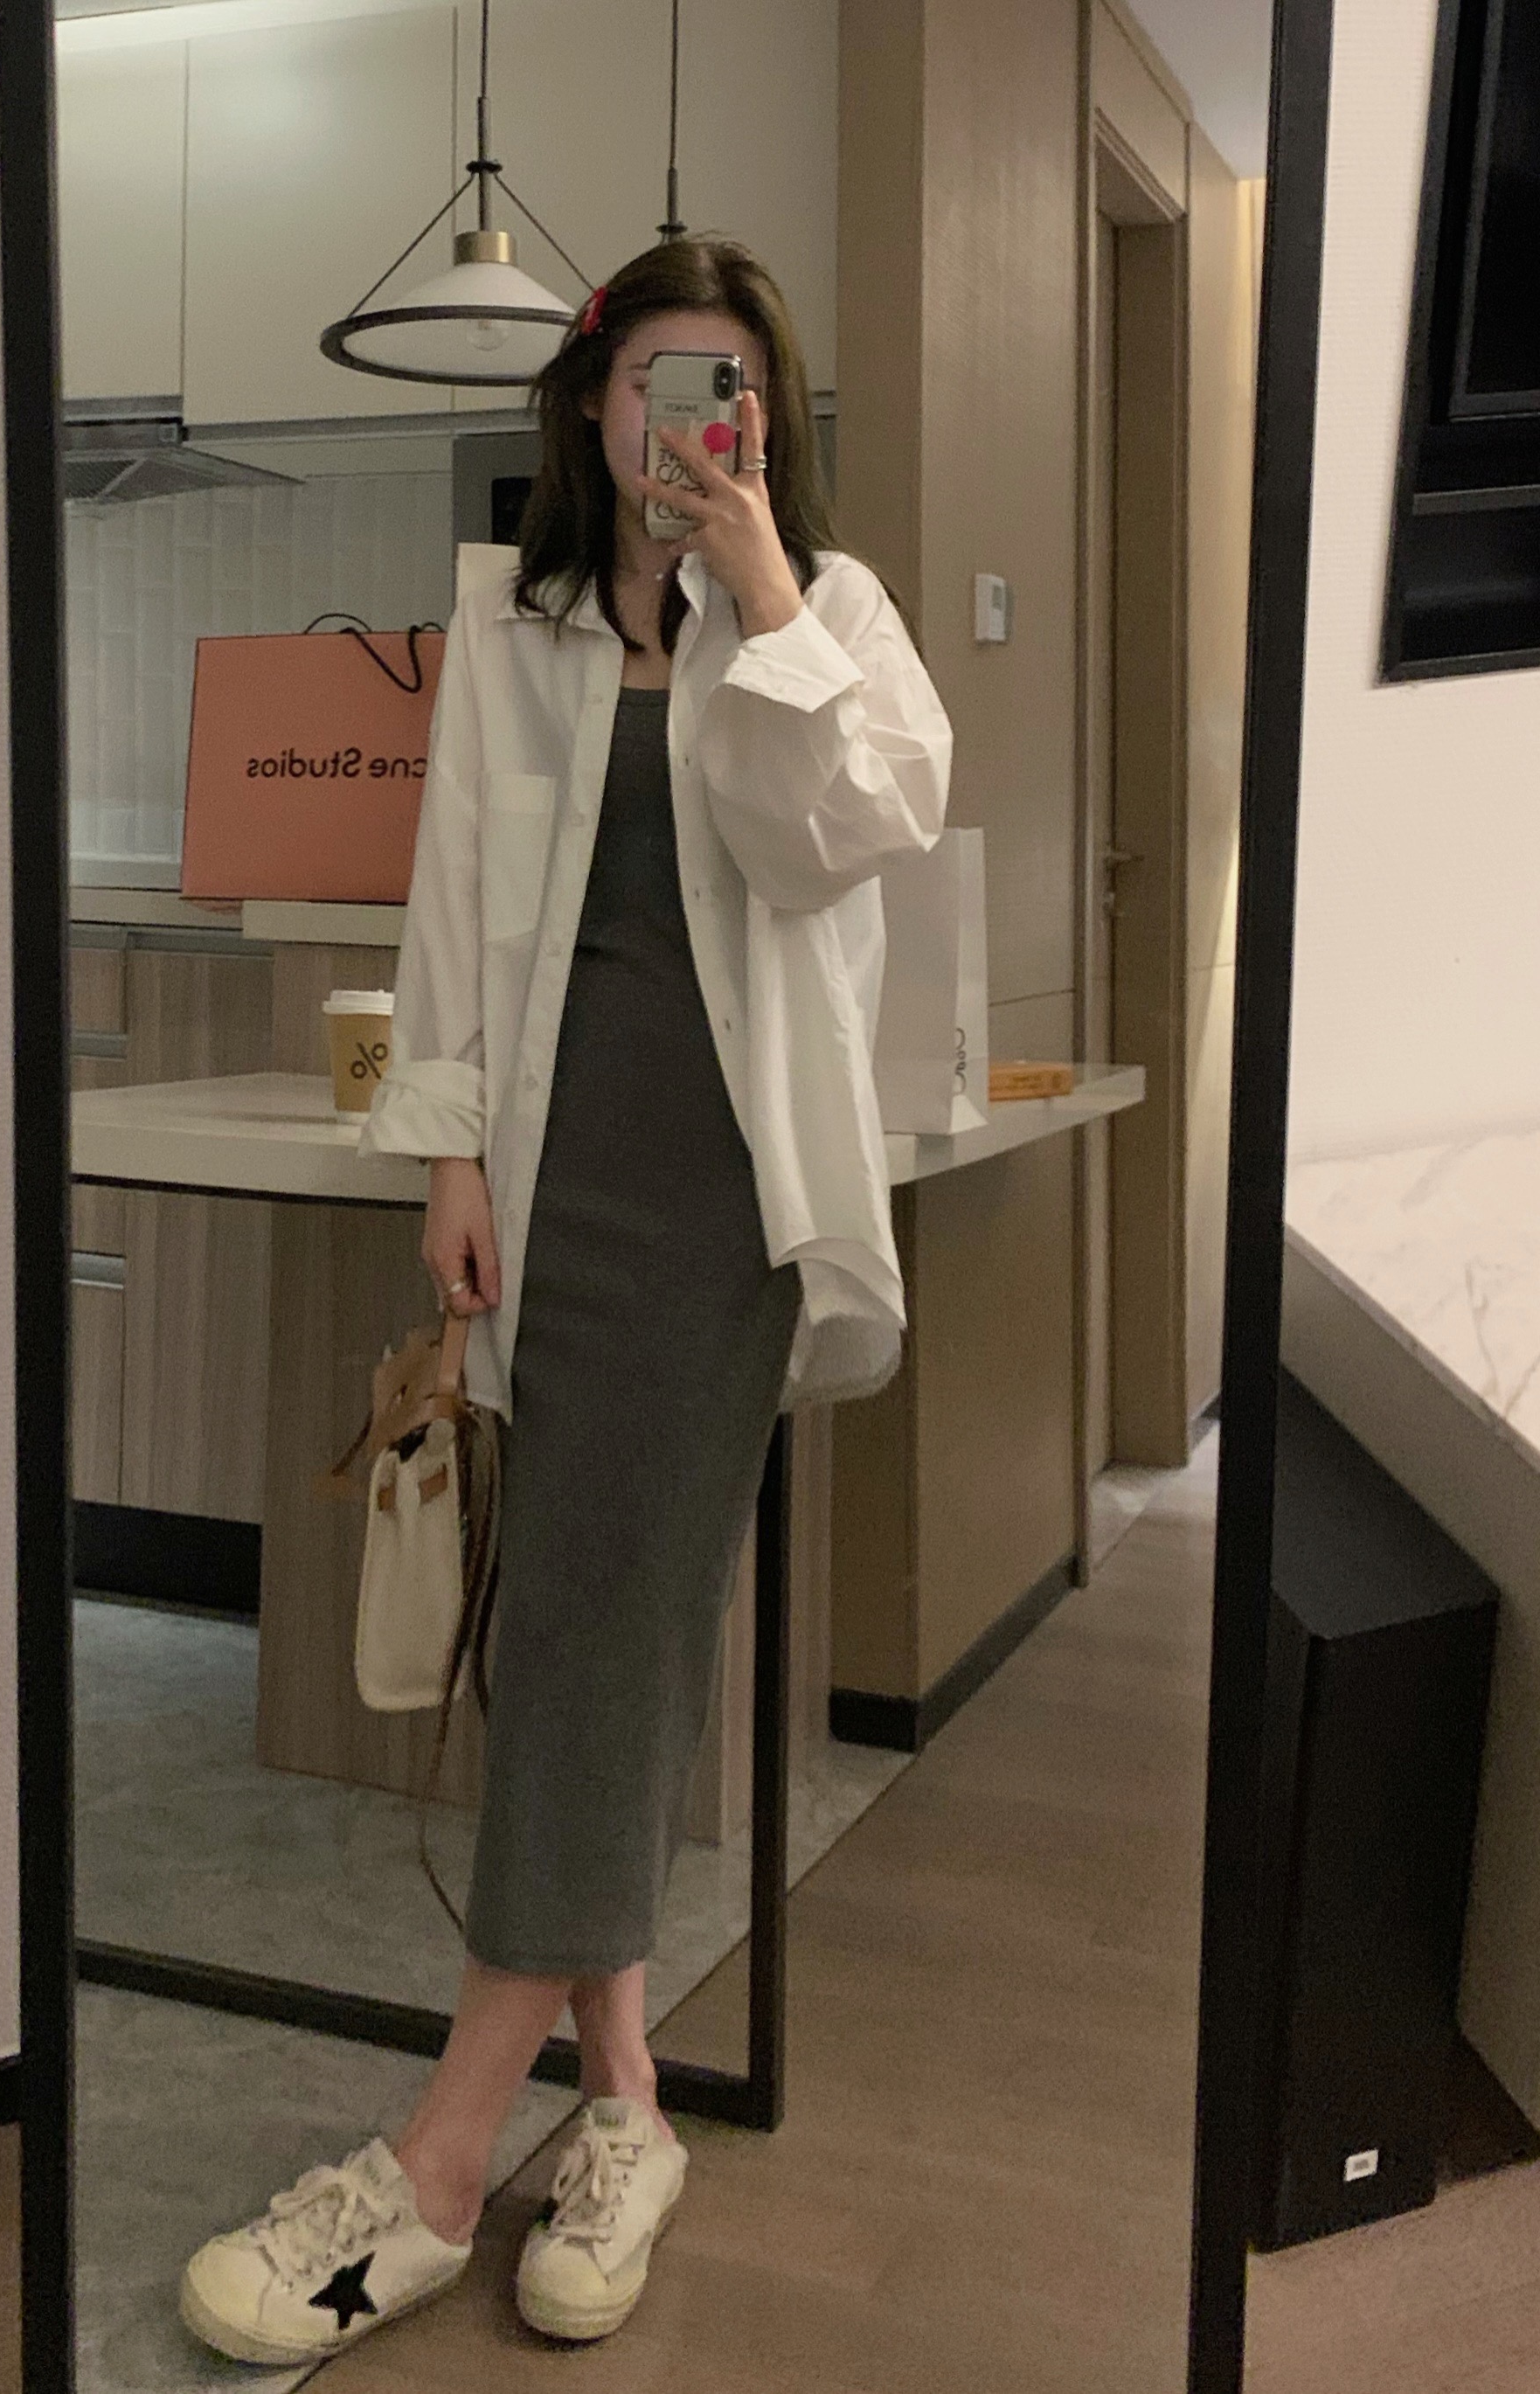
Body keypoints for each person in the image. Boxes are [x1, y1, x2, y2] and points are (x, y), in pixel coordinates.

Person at [179, 233, 953, 2368]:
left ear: (764, 414)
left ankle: (440, 2159)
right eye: (655, 380)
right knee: (583, 1633)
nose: (691, 417)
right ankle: (623, 2107)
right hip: (544, 1181)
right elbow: (452, 906)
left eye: (731, 384)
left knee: (604, 1624)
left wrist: (760, 588)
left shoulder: (833, 615)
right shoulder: (513, 630)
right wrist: (445, 1154)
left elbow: (853, 828)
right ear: (591, 403)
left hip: (716, 1199)